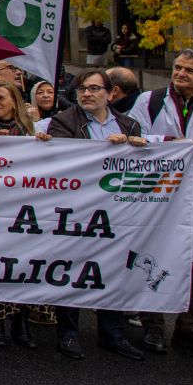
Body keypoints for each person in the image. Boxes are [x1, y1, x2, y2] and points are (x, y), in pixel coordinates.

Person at [49, 69, 151, 361]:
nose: (86, 94)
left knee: (113, 269)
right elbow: (61, 160)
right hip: (77, 210)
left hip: (115, 213)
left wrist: (137, 149)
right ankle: (68, 333)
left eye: (94, 88)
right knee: (71, 270)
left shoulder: (129, 124)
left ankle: (113, 332)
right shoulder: (64, 121)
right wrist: (103, 150)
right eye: (82, 88)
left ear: (110, 93)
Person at [129, 49, 193, 356]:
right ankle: (153, 326)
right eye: (177, 68)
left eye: (189, 70)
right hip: (159, 197)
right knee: (154, 259)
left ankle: (190, 327)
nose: (180, 74)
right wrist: (162, 144)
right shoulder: (150, 102)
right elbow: (130, 139)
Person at [0, 81, 51, 350]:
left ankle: (21, 320)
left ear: (15, 101)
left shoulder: (32, 130)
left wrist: (43, 144)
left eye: (1, 98)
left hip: (23, 207)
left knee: (23, 265)